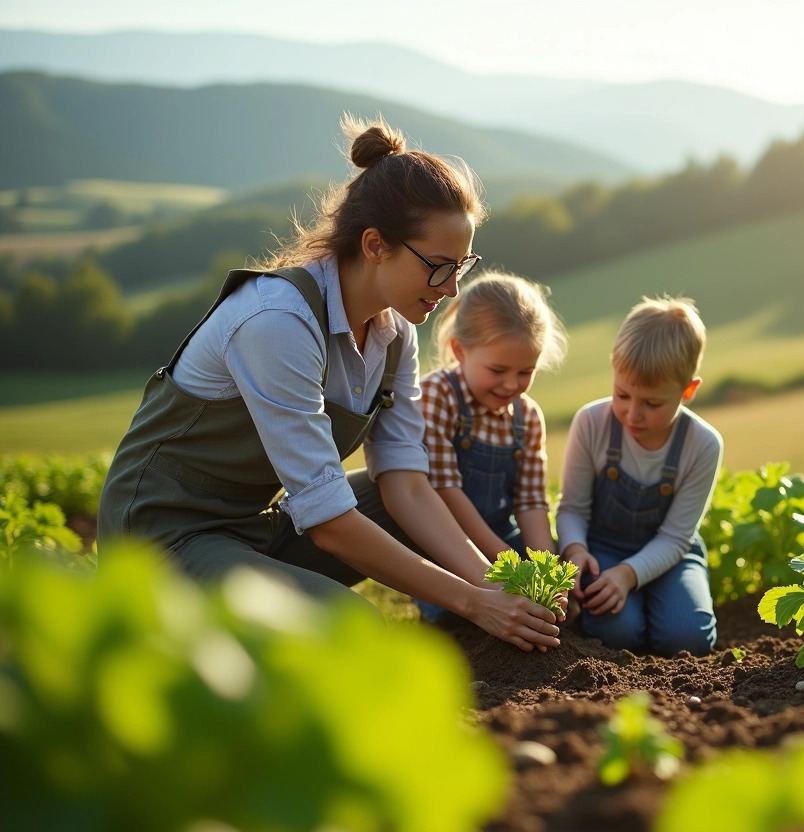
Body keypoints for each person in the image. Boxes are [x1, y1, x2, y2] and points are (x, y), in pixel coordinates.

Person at [97, 116, 563, 652]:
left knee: (401, 499)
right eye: (438, 266)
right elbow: (327, 522)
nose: (452, 289)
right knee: (350, 627)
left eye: (462, 266)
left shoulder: (394, 331)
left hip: (249, 527)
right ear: (374, 245)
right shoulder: (277, 321)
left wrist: (503, 587)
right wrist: (473, 603)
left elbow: (408, 484)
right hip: (162, 535)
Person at [555, 296, 722, 657]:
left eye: (652, 403)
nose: (633, 414)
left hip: (671, 554)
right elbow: (571, 508)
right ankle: (636, 611)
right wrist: (575, 549)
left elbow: (677, 537)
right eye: (622, 394)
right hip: (603, 549)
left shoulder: (703, 444)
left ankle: (661, 601)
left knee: (686, 641)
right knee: (618, 634)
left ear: (688, 391)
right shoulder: (591, 422)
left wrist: (629, 576)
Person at [416, 271, 566, 618]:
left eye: (525, 371)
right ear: (459, 350)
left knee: (553, 607)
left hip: (503, 539)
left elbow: (530, 502)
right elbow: (445, 490)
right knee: (452, 618)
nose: (511, 385)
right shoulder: (438, 396)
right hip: (447, 544)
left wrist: (547, 571)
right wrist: (508, 568)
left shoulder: (526, 416)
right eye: (498, 370)